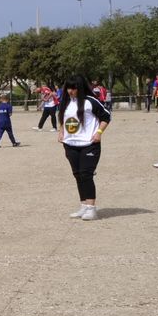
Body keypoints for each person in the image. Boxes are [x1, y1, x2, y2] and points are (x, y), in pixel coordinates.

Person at [56, 78, 111, 220]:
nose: (70, 91)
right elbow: (62, 117)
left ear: (80, 88)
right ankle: (84, 206)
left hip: (89, 144)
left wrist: (99, 133)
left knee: (87, 174)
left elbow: (106, 116)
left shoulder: (90, 101)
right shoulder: (66, 102)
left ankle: (92, 208)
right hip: (70, 144)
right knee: (78, 175)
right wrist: (61, 131)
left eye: (73, 88)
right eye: (68, 88)